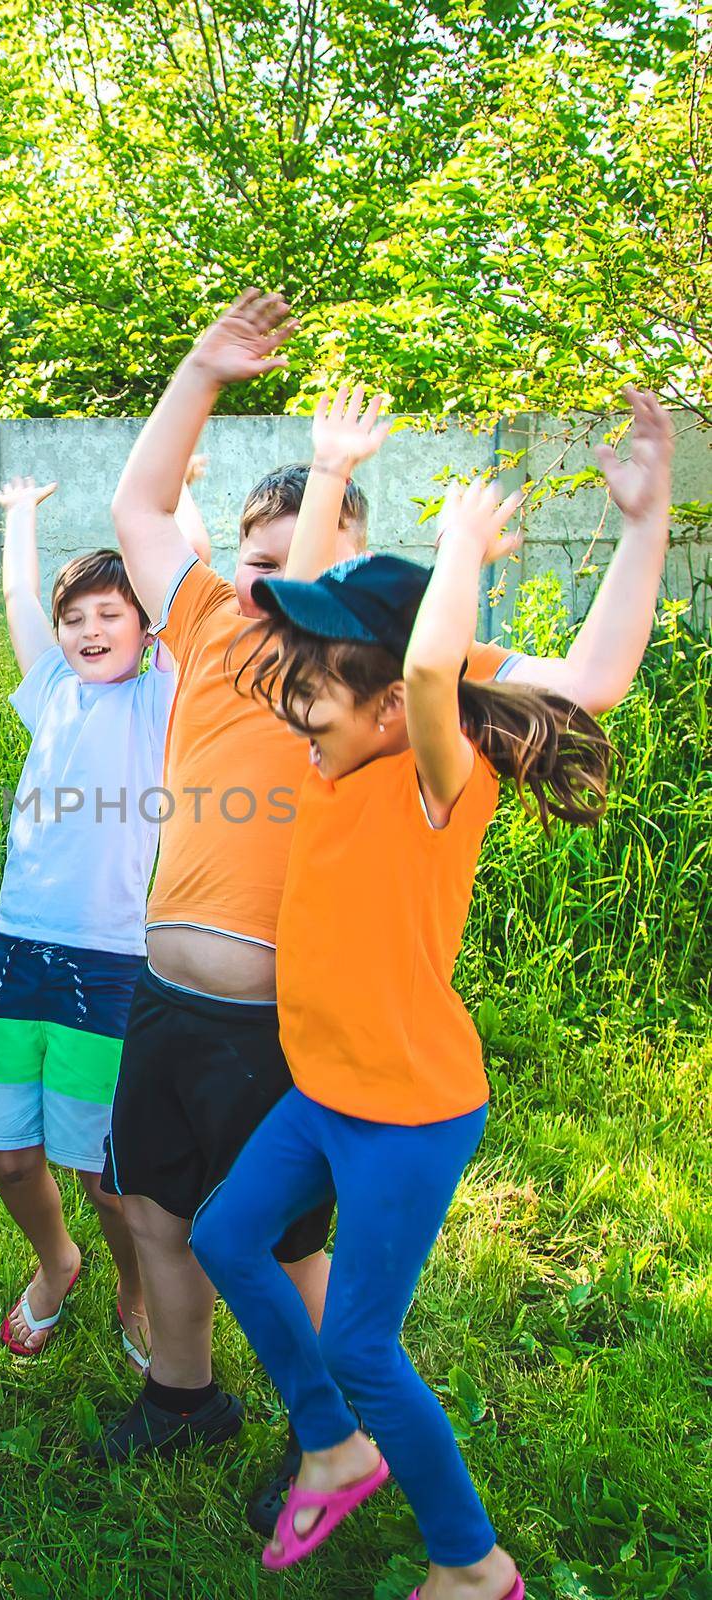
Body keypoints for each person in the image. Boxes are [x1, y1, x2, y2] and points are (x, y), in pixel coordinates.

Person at [95, 286, 674, 1518]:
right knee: (153, 1208)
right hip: (163, 1000)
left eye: (299, 566)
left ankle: (317, 1434)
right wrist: (198, 369)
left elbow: (592, 677)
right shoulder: (207, 627)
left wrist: (641, 525)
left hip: (280, 1025)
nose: (270, 583)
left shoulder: (395, 695)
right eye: (260, 566)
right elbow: (138, 508)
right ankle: (183, 1393)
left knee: (282, 1247)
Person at [192, 473, 624, 1600]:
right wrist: (326, 478)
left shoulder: (440, 780)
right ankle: (333, 1445)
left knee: (362, 1345)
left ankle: (471, 1563)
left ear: (388, 709)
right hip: (325, 1088)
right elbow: (303, 619)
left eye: (316, 704)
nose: (295, 722)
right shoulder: (340, 755)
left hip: (405, 1110)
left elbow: (446, 668)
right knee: (227, 1235)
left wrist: (461, 551)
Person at [0, 474, 175, 1370]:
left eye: (109, 616)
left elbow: (178, 595)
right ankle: (57, 1265)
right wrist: (19, 518)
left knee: (104, 1178)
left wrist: (172, 507)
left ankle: (132, 1286)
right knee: (6, 1153)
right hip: (16, 951)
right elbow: (18, 594)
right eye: (74, 617)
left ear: (145, 628)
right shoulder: (50, 688)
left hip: (111, 962)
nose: (88, 632)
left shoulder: (161, 698)